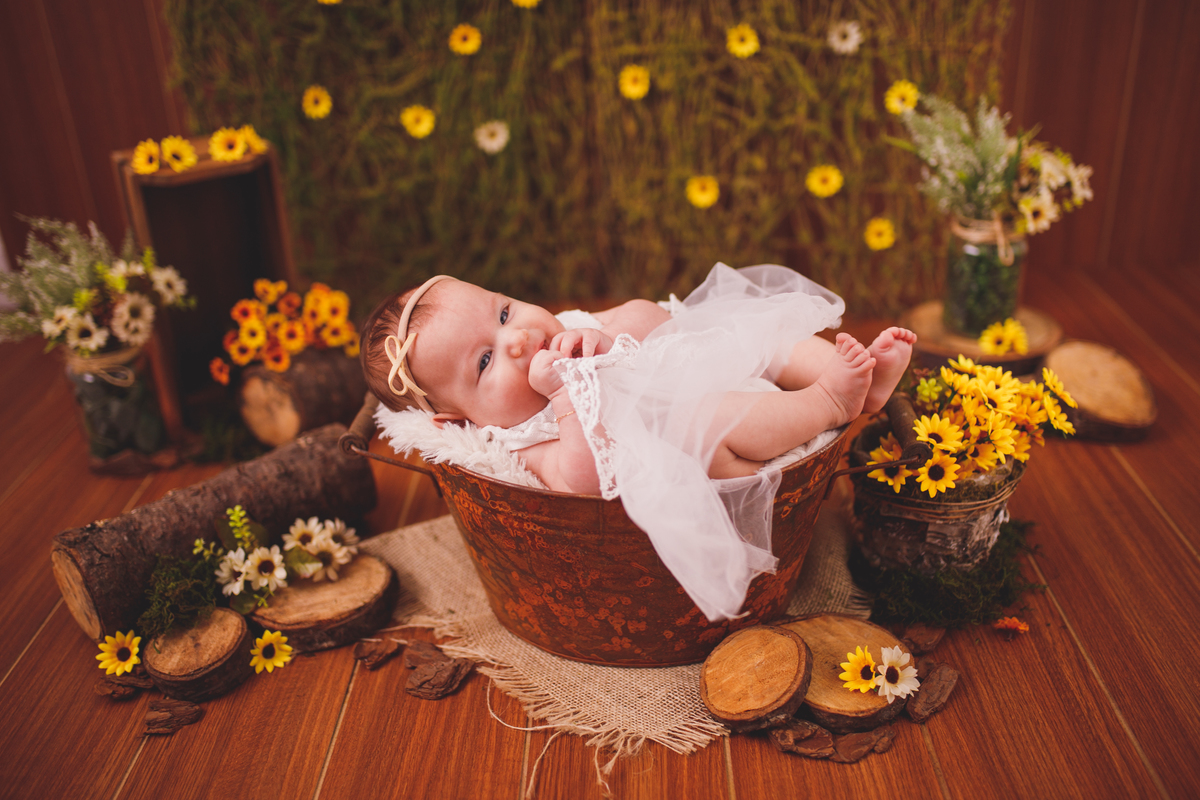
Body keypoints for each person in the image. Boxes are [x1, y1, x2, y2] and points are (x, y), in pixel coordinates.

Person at [361, 264, 915, 620]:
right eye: (484, 361)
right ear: (457, 420)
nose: (519, 338)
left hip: (695, 362)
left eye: (504, 312)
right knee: (712, 419)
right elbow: (581, 477)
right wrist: (568, 397)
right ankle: (830, 403)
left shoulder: (565, 327)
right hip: (696, 430)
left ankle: (860, 384)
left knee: (758, 335)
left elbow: (656, 322)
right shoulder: (514, 437)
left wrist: (605, 337)